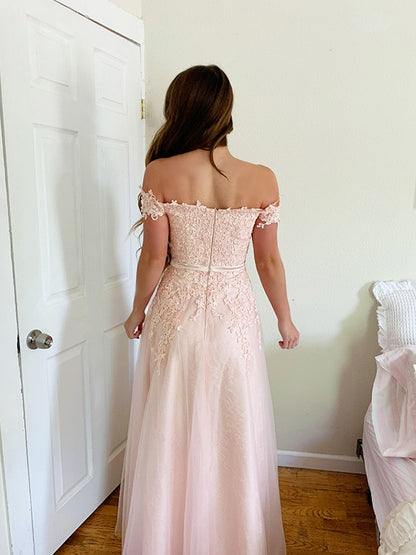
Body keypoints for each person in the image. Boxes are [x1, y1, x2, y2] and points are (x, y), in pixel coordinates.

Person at [115, 64, 299, 555]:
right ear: (225, 110)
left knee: (170, 419)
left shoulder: (161, 172)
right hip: (234, 315)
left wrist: (137, 311)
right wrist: (284, 318)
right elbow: (269, 261)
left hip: (176, 312)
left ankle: (167, 538)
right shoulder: (262, 178)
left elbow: (154, 257)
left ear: (180, 108)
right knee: (232, 421)